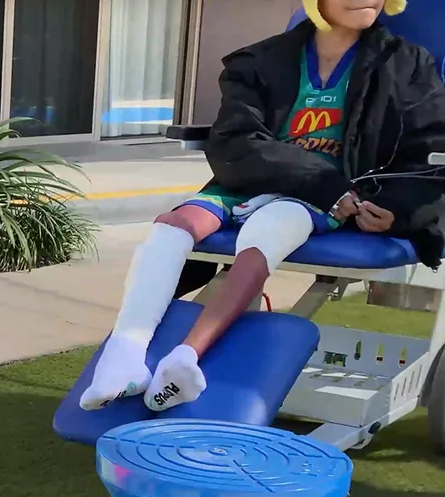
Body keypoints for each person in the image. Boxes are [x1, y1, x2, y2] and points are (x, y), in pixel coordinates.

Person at [80, 0, 445, 413]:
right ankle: (124, 354)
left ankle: (185, 359)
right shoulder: (261, 61)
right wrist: (320, 182)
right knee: (173, 226)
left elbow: (430, 151)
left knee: (265, 232)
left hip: (322, 198)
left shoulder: (408, 66)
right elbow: (236, 139)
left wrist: (395, 206)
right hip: (261, 178)